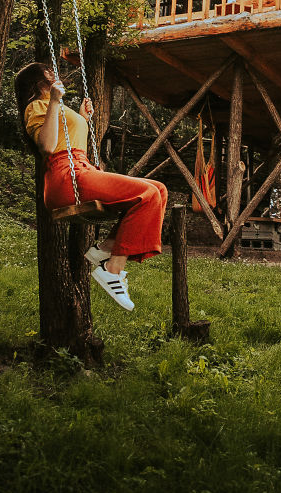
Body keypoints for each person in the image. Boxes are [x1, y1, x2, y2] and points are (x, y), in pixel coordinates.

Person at [14, 61, 167, 312]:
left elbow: (68, 136)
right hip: (66, 176)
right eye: (47, 73)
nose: (54, 74)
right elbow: (47, 146)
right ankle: (112, 269)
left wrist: (82, 119)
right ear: (36, 81)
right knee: (147, 194)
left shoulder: (57, 106)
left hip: (81, 167)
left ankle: (105, 248)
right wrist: (53, 101)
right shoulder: (36, 106)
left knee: (159, 189)